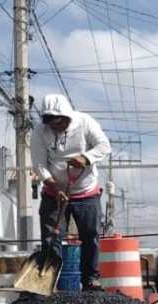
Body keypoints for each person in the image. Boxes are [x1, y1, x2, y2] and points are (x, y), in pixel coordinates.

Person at [32, 94, 112, 291]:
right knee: (51, 238)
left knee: (90, 236)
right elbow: (39, 165)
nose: (56, 127)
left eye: (60, 123)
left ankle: (90, 280)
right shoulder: (39, 132)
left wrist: (86, 157)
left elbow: (104, 146)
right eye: (52, 124)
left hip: (86, 192)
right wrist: (56, 188)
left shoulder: (85, 122)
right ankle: (48, 282)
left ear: (68, 116)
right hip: (54, 193)